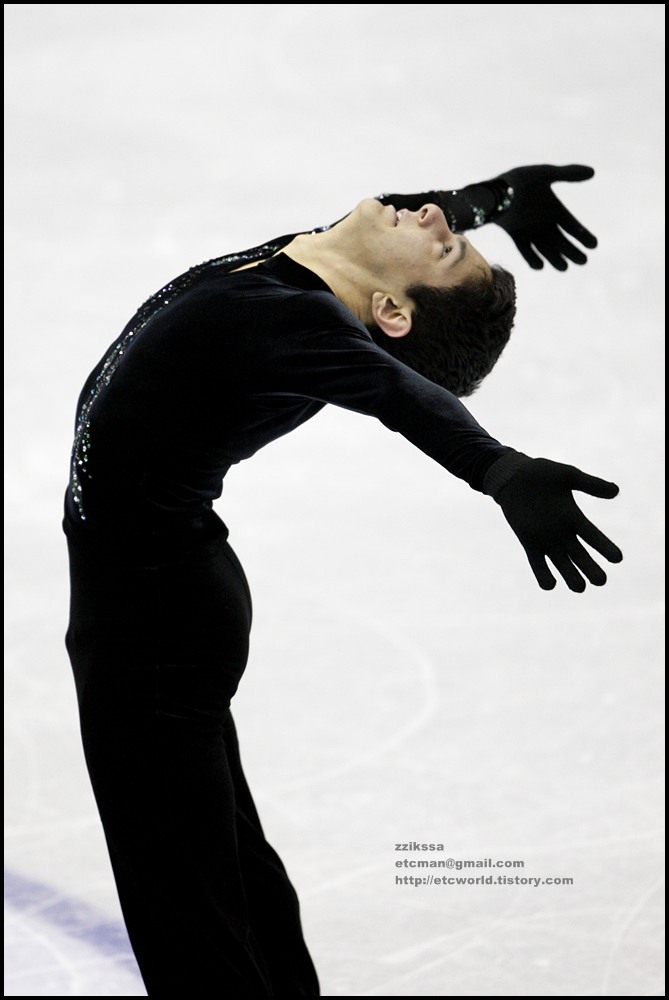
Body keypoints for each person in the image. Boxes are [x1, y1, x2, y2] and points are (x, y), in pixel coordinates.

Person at [62, 163, 622, 996]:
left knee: (187, 908)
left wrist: (498, 470)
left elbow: (402, 396)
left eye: (443, 246)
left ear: (390, 311)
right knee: (226, 874)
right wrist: (495, 200)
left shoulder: (296, 323)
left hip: (151, 620)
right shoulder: (319, 261)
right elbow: (414, 210)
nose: (431, 214)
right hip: (167, 600)